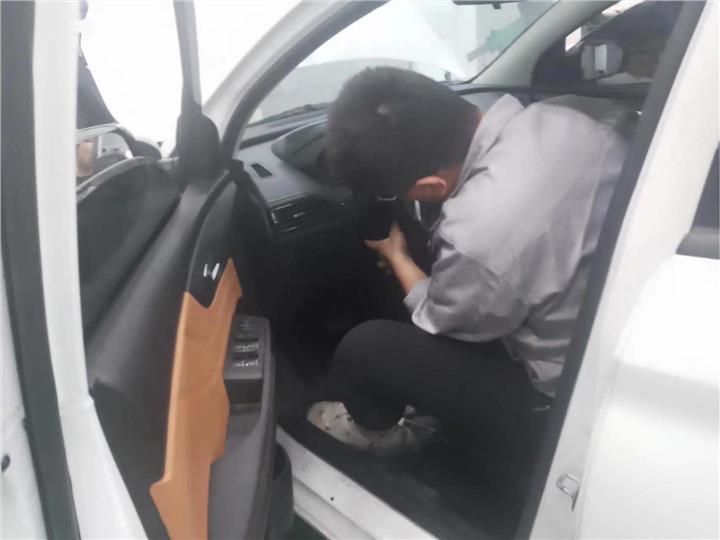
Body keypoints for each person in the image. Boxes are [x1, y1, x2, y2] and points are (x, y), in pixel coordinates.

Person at [308, 67, 635, 467]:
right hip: (617, 329)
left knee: (365, 349)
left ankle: (382, 437)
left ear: (430, 187)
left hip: (569, 403)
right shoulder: (568, 113)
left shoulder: (480, 233)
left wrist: (397, 256)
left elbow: (444, 321)